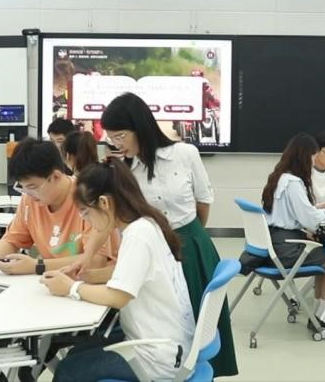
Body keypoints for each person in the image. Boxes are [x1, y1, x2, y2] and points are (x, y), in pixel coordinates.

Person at [98, 92, 238, 377]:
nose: (116, 143)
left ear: (140, 127)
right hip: (154, 253)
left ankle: (200, 373)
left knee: (200, 322)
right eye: (111, 137)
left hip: (192, 245)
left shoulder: (185, 154)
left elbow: (203, 202)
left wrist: (191, 236)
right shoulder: (125, 170)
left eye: (120, 135)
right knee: (166, 322)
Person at [41, 160, 195, 382]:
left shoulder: (137, 235)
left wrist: (71, 288)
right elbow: (133, 275)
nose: (87, 221)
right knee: (76, 353)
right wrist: (87, 275)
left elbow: (118, 296)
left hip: (156, 358)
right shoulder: (145, 223)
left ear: (104, 203)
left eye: (85, 213)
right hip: (165, 341)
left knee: (67, 370)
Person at [0, 138, 118, 278]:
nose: (28, 193)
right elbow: (12, 241)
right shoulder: (30, 200)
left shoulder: (87, 197)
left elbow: (95, 261)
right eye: (23, 187)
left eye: (32, 187)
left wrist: (38, 266)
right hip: (55, 282)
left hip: (94, 285)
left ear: (56, 176)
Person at [254, 133, 325, 329]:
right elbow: (310, 221)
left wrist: (319, 207)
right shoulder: (294, 183)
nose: (314, 161)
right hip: (287, 249)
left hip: (273, 245)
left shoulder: (280, 177)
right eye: (313, 156)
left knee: (324, 255)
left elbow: (292, 213)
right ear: (304, 156)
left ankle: (319, 314)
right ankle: (321, 318)